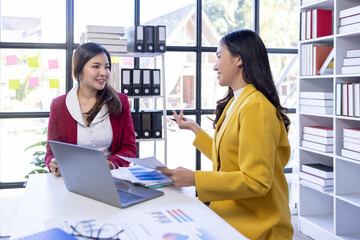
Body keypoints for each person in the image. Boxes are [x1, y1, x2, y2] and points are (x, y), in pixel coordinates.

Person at [157, 29, 293, 240]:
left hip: (258, 227)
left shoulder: (255, 107)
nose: (215, 65)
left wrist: (195, 179)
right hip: (232, 217)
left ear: (238, 59)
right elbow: (231, 159)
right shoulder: (238, 101)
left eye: (219, 56)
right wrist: (194, 129)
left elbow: (257, 181)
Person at [45, 42, 137, 176]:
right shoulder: (59, 105)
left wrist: (110, 164)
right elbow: (51, 152)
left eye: (106, 67)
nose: (104, 73)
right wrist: (53, 164)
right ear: (79, 70)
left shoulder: (121, 101)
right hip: (74, 177)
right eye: (96, 66)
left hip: (110, 177)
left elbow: (129, 148)